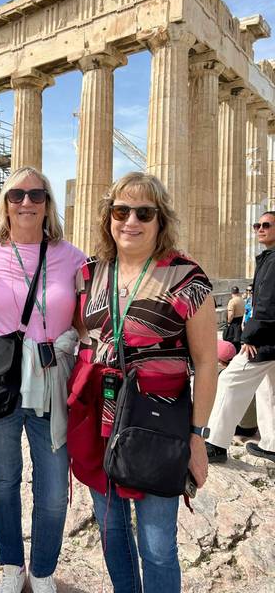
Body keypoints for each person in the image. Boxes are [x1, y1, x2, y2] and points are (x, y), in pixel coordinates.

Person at [69, 172, 217, 593]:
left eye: (144, 213)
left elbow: (207, 363)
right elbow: (84, 334)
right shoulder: (91, 273)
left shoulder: (186, 277)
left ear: (160, 220)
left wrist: (197, 437)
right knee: (112, 533)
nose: (130, 221)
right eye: (120, 211)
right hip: (101, 418)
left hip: (157, 423)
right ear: (108, 218)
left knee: (156, 544)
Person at [0, 166, 86, 593]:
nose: (27, 203)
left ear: (48, 203)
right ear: (5, 203)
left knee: (53, 490)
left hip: (52, 380)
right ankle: (12, 566)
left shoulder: (71, 256)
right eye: (17, 195)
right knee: (5, 481)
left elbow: (89, 315)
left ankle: (43, 570)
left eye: (36, 195)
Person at [206, 211, 275, 463]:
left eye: (266, 225)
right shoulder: (268, 258)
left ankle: (215, 442)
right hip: (271, 340)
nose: (259, 228)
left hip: (265, 341)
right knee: (269, 391)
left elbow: (267, 305)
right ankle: (272, 444)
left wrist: (250, 337)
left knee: (230, 382)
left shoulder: (273, 260)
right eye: (257, 224)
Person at [223, 286, 244, 352]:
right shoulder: (242, 300)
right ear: (238, 292)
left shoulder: (232, 301)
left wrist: (229, 322)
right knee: (238, 340)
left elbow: (231, 314)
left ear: (231, 293)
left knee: (231, 339)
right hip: (241, 320)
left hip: (234, 322)